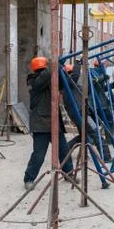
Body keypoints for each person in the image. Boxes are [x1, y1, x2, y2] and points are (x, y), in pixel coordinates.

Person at [24, 57, 74, 190]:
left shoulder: (51, 80)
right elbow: (42, 80)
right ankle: (29, 179)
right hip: (41, 124)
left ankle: (69, 174)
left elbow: (66, 83)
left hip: (54, 122)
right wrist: (54, 64)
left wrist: (63, 70)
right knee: (39, 154)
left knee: (64, 151)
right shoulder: (33, 80)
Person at [62, 61, 112, 162]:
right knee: (95, 132)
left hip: (80, 112)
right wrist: (77, 63)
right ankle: (106, 156)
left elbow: (88, 89)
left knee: (84, 136)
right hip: (80, 113)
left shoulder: (71, 85)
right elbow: (76, 76)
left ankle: (65, 150)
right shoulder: (69, 82)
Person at [90, 60, 114, 163]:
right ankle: (107, 144)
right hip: (96, 104)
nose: (105, 68)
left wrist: (112, 85)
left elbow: (101, 88)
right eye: (104, 66)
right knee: (94, 129)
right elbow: (93, 83)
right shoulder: (91, 72)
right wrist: (102, 78)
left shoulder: (100, 73)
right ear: (99, 65)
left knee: (109, 124)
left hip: (103, 103)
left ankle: (112, 141)